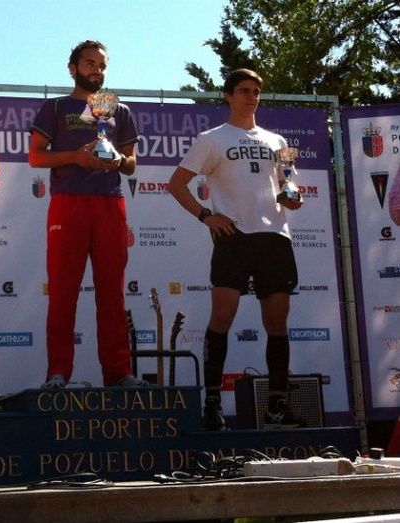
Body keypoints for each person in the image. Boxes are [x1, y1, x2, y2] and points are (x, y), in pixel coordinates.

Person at [168, 68, 305, 430]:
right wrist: (206, 216)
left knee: (277, 322)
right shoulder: (212, 139)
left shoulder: (277, 140)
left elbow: (287, 186)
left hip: (274, 236)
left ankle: (277, 405)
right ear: (228, 95)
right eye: (244, 90)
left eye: (256, 91)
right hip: (234, 237)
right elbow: (176, 184)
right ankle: (212, 404)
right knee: (222, 318)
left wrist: (293, 198)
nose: (251, 97)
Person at [29, 40, 145, 388]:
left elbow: (131, 163)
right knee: (63, 290)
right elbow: (36, 156)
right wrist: (75, 157)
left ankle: (119, 372)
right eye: (90, 63)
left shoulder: (119, 110)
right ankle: (58, 372)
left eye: (102, 65)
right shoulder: (55, 107)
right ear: (73, 68)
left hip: (109, 202)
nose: (97, 70)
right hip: (69, 202)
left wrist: (118, 160)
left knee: (112, 291)